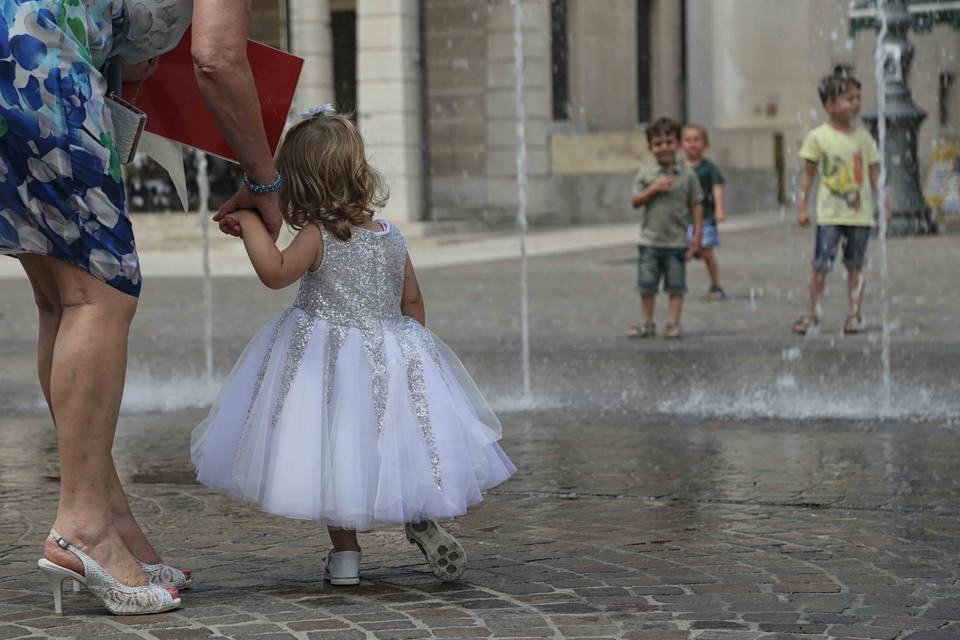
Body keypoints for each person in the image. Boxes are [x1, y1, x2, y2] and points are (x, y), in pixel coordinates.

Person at [0, 1, 283, 615]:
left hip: (16, 52)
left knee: (60, 298)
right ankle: (82, 528)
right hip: (42, 63)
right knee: (100, 296)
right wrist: (266, 179)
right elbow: (216, 57)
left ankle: (110, 519)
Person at [192, 110, 516, 586]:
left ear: (301, 184)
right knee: (389, 445)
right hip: (392, 353)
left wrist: (248, 221)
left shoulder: (319, 235)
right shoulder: (390, 236)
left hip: (330, 364)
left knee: (335, 453)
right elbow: (412, 300)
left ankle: (346, 559)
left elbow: (275, 272)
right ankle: (417, 512)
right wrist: (410, 361)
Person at [793, 65, 883, 336]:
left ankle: (854, 315)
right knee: (820, 266)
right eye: (848, 99)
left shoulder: (864, 138)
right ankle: (810, 314)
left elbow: (875, 173)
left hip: (860, 214)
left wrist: (884, 203)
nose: (855, 104)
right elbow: (808, 174)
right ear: (829, 104)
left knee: (856, 265)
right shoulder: (818, 137)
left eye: (857, 98)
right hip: (830, 215)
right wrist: (802, 206)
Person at [627, 118, 704, 340]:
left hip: (677, 242)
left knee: (676, 287)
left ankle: (672, 323)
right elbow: (635, 201)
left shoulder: (688, 175)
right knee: (647, 285)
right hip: (650, 242)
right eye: (658, 143)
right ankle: (646, 323)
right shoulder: (646, 173)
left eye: (669, 142)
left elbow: (697, 204)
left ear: (678, 144)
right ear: (651, 148)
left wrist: (696, 238)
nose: (664, 147)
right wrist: (654, 188)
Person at [681, 123, 727, 301]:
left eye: (697, 140)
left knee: (706, 252)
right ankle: (677, 286)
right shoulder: (678, 168)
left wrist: (720, 209)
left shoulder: (709, 168)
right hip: (683, 219)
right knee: (681, 253)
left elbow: (717, 188)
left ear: (705, 144)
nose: (692, 144)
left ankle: (715, 284)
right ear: (681, 144)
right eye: (688, 140)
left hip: (706, 217)